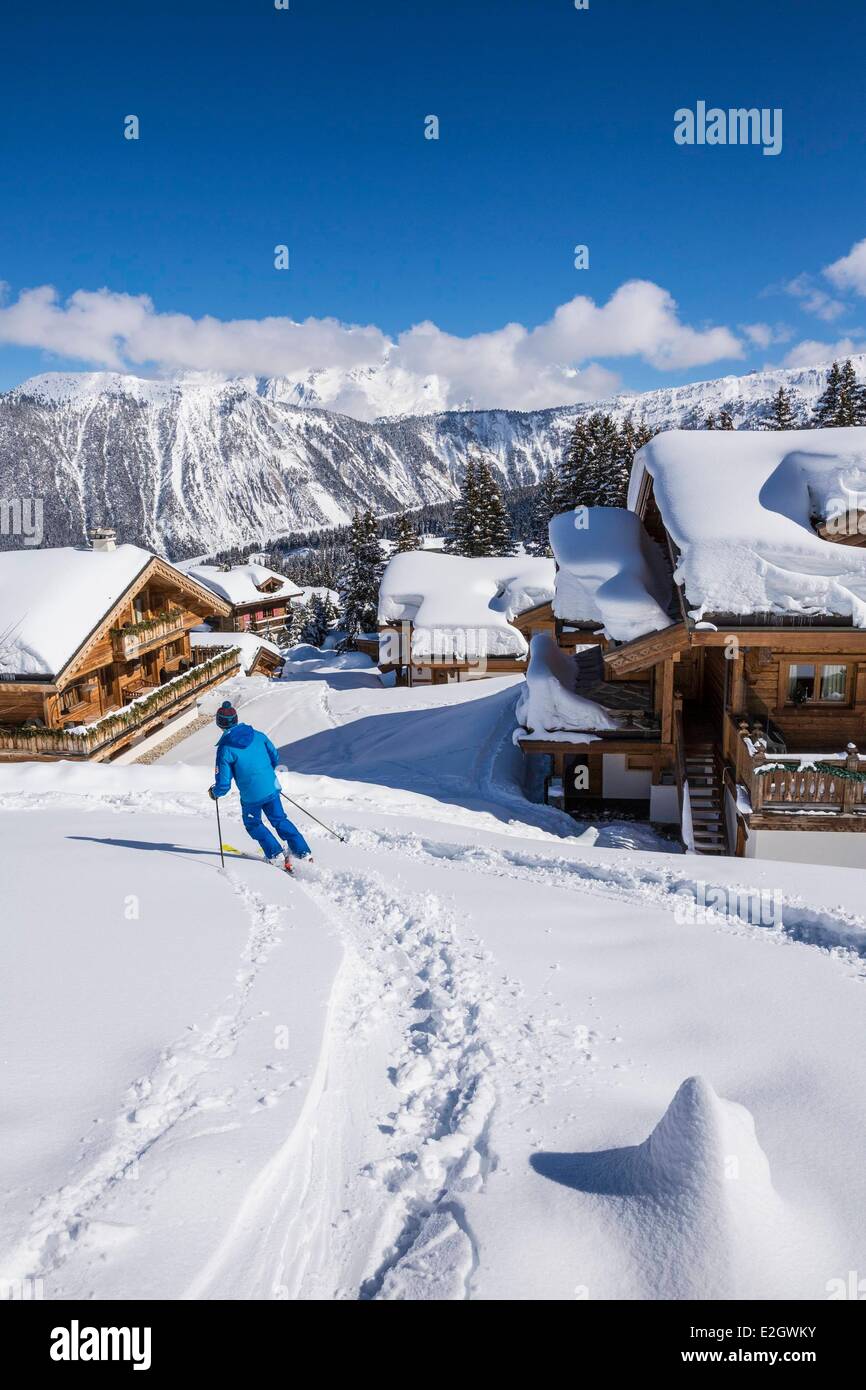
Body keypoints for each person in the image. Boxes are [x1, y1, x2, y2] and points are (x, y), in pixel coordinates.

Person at [209, 701, 312, 868]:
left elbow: (224, 784)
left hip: (251, 796)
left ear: (219, 723)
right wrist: (265, 774)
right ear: (236, 719)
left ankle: (275, 854)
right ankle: (303, 852)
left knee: (253, 823)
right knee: (279, 819)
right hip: (271, 787)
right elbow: (274, 756)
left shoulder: (225, 749)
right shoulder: (258, 735)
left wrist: (215, 793)